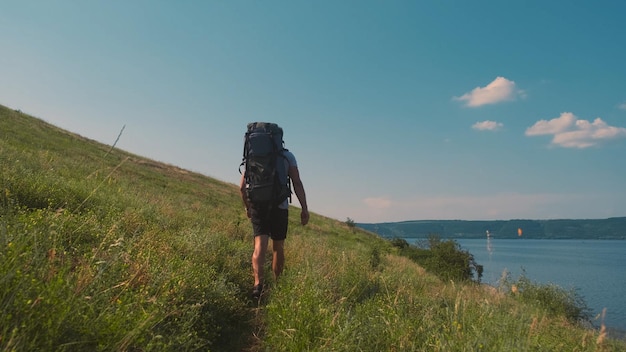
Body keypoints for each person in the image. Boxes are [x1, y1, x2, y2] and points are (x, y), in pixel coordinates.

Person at [239, 136, 309, 299]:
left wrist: (248, 207)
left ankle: (258, 285)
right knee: (278, 247)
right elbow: (297, 182)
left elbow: (242, 187)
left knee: (259, 246)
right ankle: (278, 284)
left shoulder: (253, 156)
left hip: (258, 205)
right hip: (280, 206)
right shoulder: (287, 156)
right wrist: (304, 208)